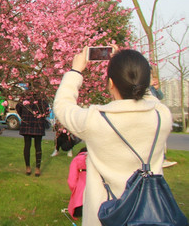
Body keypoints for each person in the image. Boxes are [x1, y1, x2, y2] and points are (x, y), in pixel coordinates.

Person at [53, 48, 172, 226]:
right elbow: (147, 96)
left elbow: (62, 106)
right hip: (150, 213)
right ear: (146, 82)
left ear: (110, 83)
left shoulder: (95, 120)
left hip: (104, 214)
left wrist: (75, 71)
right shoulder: (161, 116)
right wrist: (133, 70)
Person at [16, 89, 50, 177]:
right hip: (34, 123)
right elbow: (46, 111)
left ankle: (29, 167)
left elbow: (18, 107)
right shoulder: (41, 97)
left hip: (33, 123)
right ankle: (35, 168)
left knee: (30, 146)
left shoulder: (25, 96)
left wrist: (23, 116)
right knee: (35, 146)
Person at [67, 147, 87, 219]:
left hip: (80, 201)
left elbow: (72, 181)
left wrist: (75, 191)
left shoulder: (76, 160)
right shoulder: (97, 159)